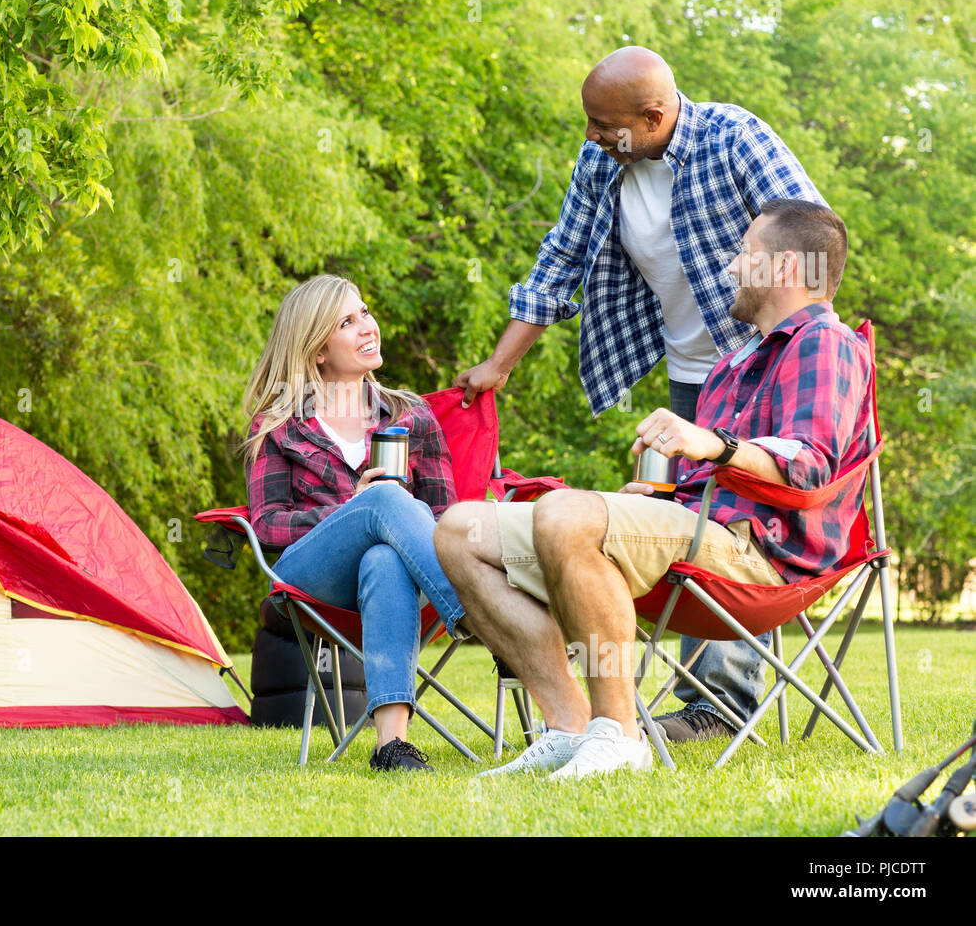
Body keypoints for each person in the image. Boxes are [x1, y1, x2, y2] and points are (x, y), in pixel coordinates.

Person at [454, 46, 827, 743]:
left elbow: (812, 237)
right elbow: (561, 256)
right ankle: (657, 706)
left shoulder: (735, 137)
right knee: (689, 528)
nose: (591, 136)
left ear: (653, 116)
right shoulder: (604, 159)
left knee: (737, 525)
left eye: (604, 124)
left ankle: (722, 705)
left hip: (761, 368)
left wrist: (802, 351)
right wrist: (500, 365)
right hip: (693, 377)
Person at [436, 199, 872, 779]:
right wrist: (658, 500)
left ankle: (619, 736)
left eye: (744, 254)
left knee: (566, 514)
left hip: (759, 556)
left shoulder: (824, 341)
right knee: (460, 530)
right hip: (700, 534)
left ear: (785, 267)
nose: (732, 268)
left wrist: (713, 443)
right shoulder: (734, 362)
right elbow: (707, 484)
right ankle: (572, 726)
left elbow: (811, 462)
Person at [243, 274, 469, 772]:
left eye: (365, 312)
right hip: (313, 577)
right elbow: (269, 525)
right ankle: (482, 613)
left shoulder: (413, 416)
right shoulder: (280, 425)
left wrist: (382, 517)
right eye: (347, 322)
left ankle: (392, 746)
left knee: (385, 557)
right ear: (318, 350)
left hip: (398, 576)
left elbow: (444, 515)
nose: (368, 327)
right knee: (382, 499)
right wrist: (355, 508)